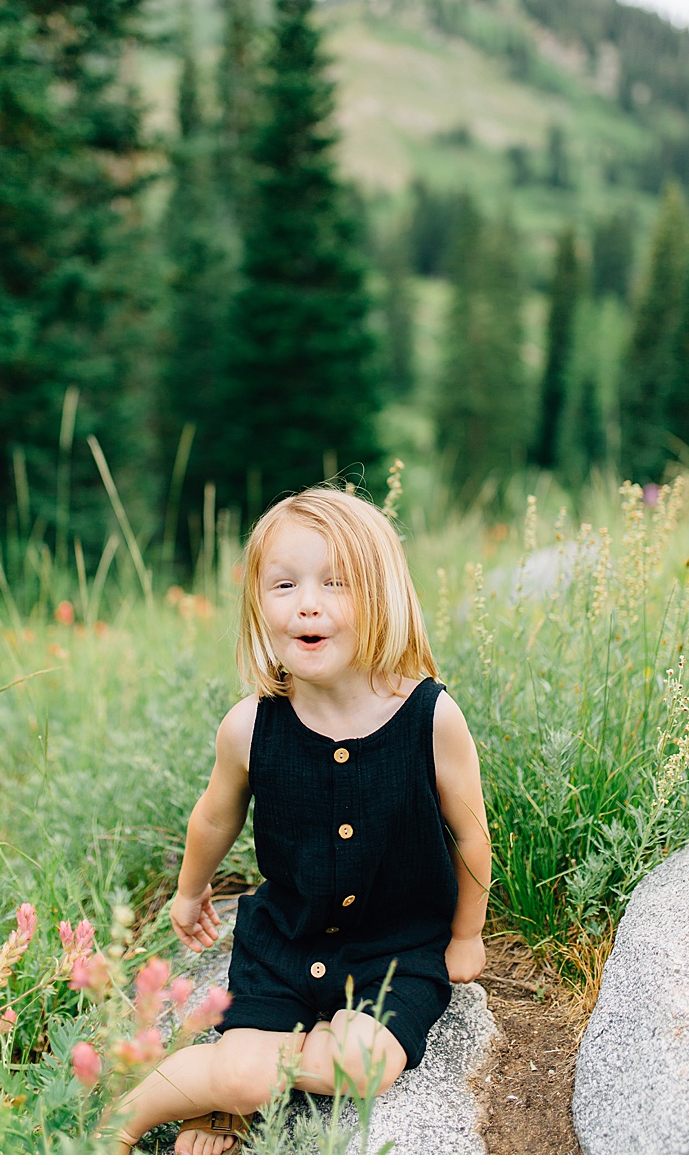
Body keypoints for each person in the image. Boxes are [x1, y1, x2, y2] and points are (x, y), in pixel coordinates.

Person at [110, 487, 490, 1155]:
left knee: (360, 1067)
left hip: (396, 951)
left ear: (383, 597)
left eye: (335, 583)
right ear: (260, 603)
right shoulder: (251, 725)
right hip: (283, 942)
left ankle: (230, 1088)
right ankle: (150, 1106)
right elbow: (213, 819)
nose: (306, 602)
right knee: (244, 1066)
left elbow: (470, 833)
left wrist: (466, 935)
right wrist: (189, 890)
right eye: (284, 584)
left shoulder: (431, 718)